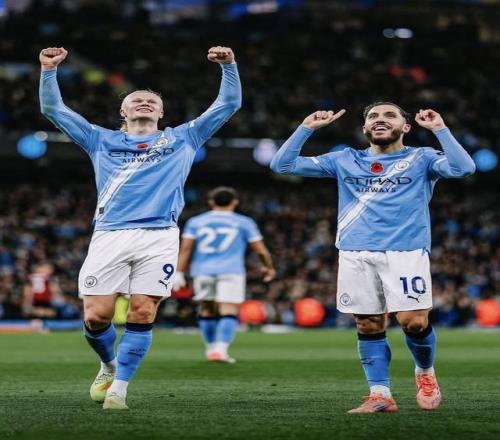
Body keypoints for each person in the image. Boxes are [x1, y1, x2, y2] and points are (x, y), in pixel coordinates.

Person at [39, 45, 241, 409]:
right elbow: (54, 110)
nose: (144, 103)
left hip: (159, 236)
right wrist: (49, 70)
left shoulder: (183, 137)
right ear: (123, 111)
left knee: (143, 311)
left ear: (162, 113)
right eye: (136, 100)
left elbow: (228, 105)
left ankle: (120, 389)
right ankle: (108, 365)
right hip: (110, 234)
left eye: (151, 101)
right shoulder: (100, 138)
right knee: (96, 316)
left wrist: (229, 66)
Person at [270, 103, 476, 413]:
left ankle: (425, 372)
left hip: (406, 250)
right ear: (365, 128)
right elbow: (282, 166)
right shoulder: (345, 159)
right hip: (355, 251)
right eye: (373, 117)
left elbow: (464, 168)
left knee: (414, 322)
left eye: (390, 115)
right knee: (368, 324)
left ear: (406, 127)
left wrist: (440, 129)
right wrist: (306, 128)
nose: (380, 120)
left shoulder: (422, 158)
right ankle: (380, 395)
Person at [172, 186, 275, 363]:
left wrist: (179, 272)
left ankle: (211, 348)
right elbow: (261, 250)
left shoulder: (196, 222)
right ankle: (221, 349)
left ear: (211, 202)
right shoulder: (244, 222)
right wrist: (268, 267)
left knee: (207, 309)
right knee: (228, 309)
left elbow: (186, 248)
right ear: (234, 202)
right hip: (231, 271)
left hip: (203, 271)